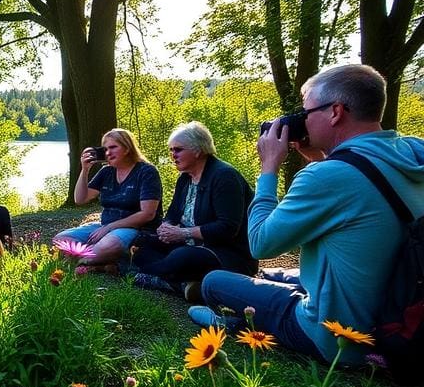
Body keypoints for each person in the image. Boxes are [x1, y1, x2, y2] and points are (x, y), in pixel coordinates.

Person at [192, 64, 424, 365]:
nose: (303, 121)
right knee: (276, 275)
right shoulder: (411, 154)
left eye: (307, 112)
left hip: (339, 338)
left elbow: (261, 243)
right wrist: (321, 159)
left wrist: (269, 170)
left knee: (214, 282)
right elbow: (358, 202)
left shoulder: (327, 176)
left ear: (336, 112)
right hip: (401, 319)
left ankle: (234, 325)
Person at [132, 121, 257, 300]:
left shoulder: (224, 177)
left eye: (178, 150)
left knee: (182, 257)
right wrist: (165, 228)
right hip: (189, 244)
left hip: (226, 253)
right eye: (171, 150)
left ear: (198, 150)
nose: (173, 155)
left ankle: (149, 275)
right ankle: (182, 285)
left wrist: (183, 233)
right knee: (142, 244)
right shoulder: (185, 178)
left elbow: (228, 228)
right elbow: (173, 214)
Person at [52, 128, 162, 268]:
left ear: (127, 148)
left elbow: (147, 214)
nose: (108, 153)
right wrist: (85, 170)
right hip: (105, 226)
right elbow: (80, 199)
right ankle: (103, 261)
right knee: (60, 239)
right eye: (105, 149)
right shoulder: (107, 171)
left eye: (113, 147)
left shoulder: (146, 172)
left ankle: (82, 261)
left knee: (109, 245)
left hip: (135, 228)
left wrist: (110, 227)